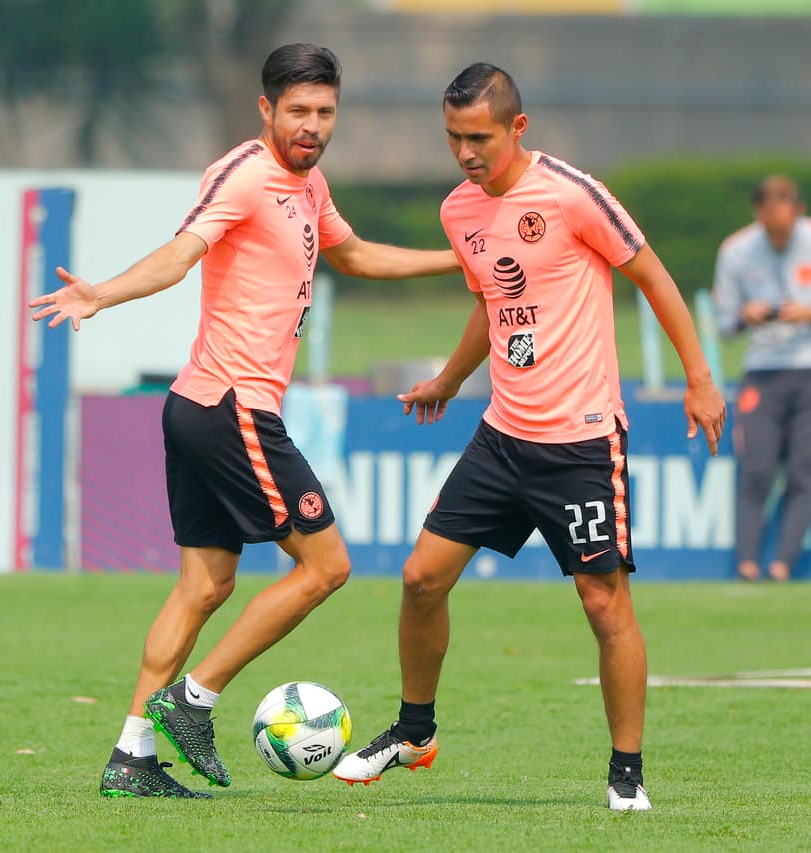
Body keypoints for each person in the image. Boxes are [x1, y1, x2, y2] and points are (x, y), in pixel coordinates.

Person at [30, 43, 460, 800]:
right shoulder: (244, 174)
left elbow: (353, 256)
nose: (313, 125)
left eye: (325, 112)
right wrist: (104, 294)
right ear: (266, 110)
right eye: (298, 111)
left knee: (203, 585)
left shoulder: (310, 184)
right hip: (233, 409)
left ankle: (132, 754)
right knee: (327, 565)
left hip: (201, 409)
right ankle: (193, 701)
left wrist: (457, 258)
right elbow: (179, 254)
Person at [331, 63, 726, 812]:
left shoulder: (574, 195)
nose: (465, 152)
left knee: (605, 605)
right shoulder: (460, 210)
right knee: (421, 578)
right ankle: (416, 732)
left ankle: (627, 775)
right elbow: (492, 302)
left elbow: (654, 277)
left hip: (580, 443)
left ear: (518, 127)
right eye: (452, 137)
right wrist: (450, 379)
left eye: (478, 136)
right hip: (502, 437)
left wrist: (699, 375)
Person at [712, 175, 811, 582]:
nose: (776, 235)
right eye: (768, 227)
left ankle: (783, 563)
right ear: (757, 216)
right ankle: (746, 562)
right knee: (757, 468)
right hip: (763, 368)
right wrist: (743, 316)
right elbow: (722, 324)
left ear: (798, 211)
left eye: (783, 227)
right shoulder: (736, 250)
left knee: (804, 470)